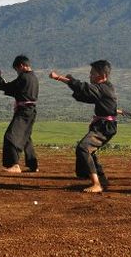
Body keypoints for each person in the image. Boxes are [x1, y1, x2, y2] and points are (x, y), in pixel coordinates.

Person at [49, 60, 118, 193]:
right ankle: (101, 179)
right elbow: (84, 95)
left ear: (102, 75)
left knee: (83, 148)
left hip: (105, 127)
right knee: (88, 150)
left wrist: (60, 78)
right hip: (103, 125)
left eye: (92, 73)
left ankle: (97, 184)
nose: (90, 76)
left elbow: (84, 88)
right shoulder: (105, 87)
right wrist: (71, 83)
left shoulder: (103, 88)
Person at [0, 55, 39, 173]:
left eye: (16, 70)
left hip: (24, 111)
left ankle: (14, 164)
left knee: (10, 136)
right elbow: (15, 90)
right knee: (25, 137)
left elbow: (8, 87)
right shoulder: (33, 77)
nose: (17, 72)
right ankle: (33, 165)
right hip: (31, 111)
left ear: (22, 66)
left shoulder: (24, 77)